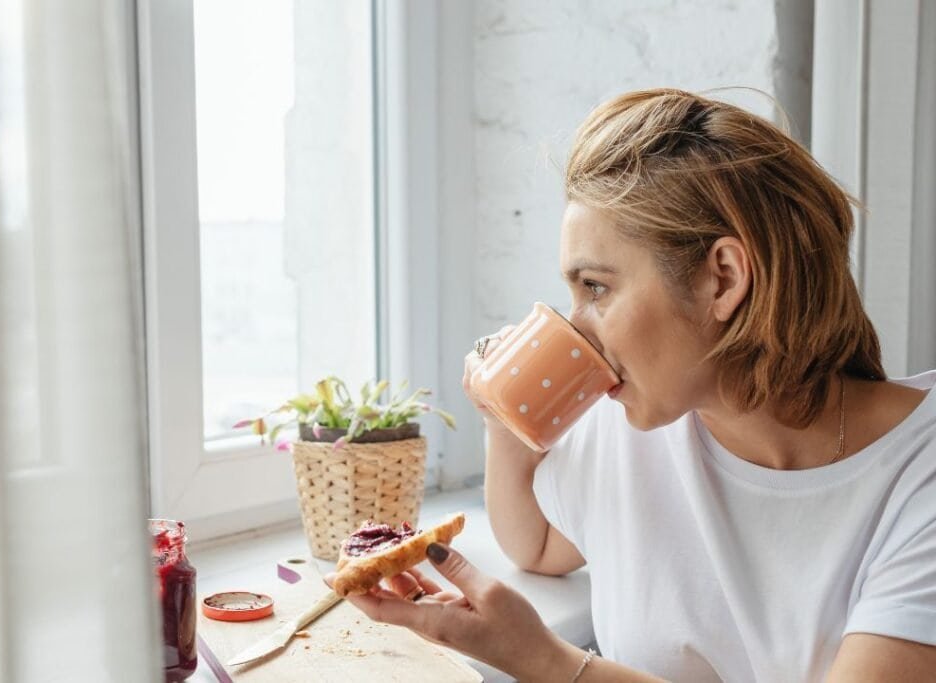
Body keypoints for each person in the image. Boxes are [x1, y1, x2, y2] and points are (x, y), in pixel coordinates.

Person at [326, 88, 936, 681]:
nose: (575, 330)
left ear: (722, 279)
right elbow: (537, 546)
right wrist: (505, 425)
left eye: (595, 287)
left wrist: (546, 662)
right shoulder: (638, 423)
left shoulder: (920, 472)